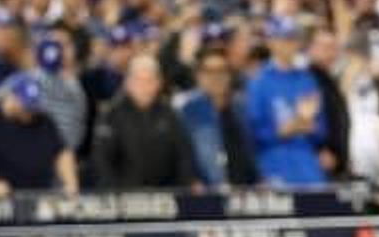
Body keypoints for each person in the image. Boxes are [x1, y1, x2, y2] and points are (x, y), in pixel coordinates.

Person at [245, 15, 333, 186]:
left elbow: (321, 128)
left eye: (293, 38)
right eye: (284, 38)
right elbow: (255, 133)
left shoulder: (306, 79)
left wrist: (305, 126)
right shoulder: (259, 82)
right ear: (271, 42)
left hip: (307, 164)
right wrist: (291, 127)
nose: (290, 44)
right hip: (273, 164)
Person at [89, 55, 199, 189]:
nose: (144, 86)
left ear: (159, 82)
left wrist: (183, 188)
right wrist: (115, 192)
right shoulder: (111, 115)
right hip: (123, 196)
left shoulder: (170, 114)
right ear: (127, 82)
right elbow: (101, 161)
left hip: (165, 194)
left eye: (149, 80)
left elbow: (184, 156)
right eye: (138, 80)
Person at [0, 73, 78, 198]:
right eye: (25, 104)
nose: (30, 110)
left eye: (33, 105)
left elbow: (62, 152)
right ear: (10, 97)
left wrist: (70, 183)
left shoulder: (44, 122)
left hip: (38, 197)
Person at [175, 47, 258, 186]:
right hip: (207, 192)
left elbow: (252, 151)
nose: (216, 77)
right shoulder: (187, 111)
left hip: (243, 192)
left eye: (222, 71)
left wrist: (259, 180)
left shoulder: (241, 108)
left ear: (229, 75)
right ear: (199, 76)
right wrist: (191, 181)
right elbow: (181, 155)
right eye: (209, 72)